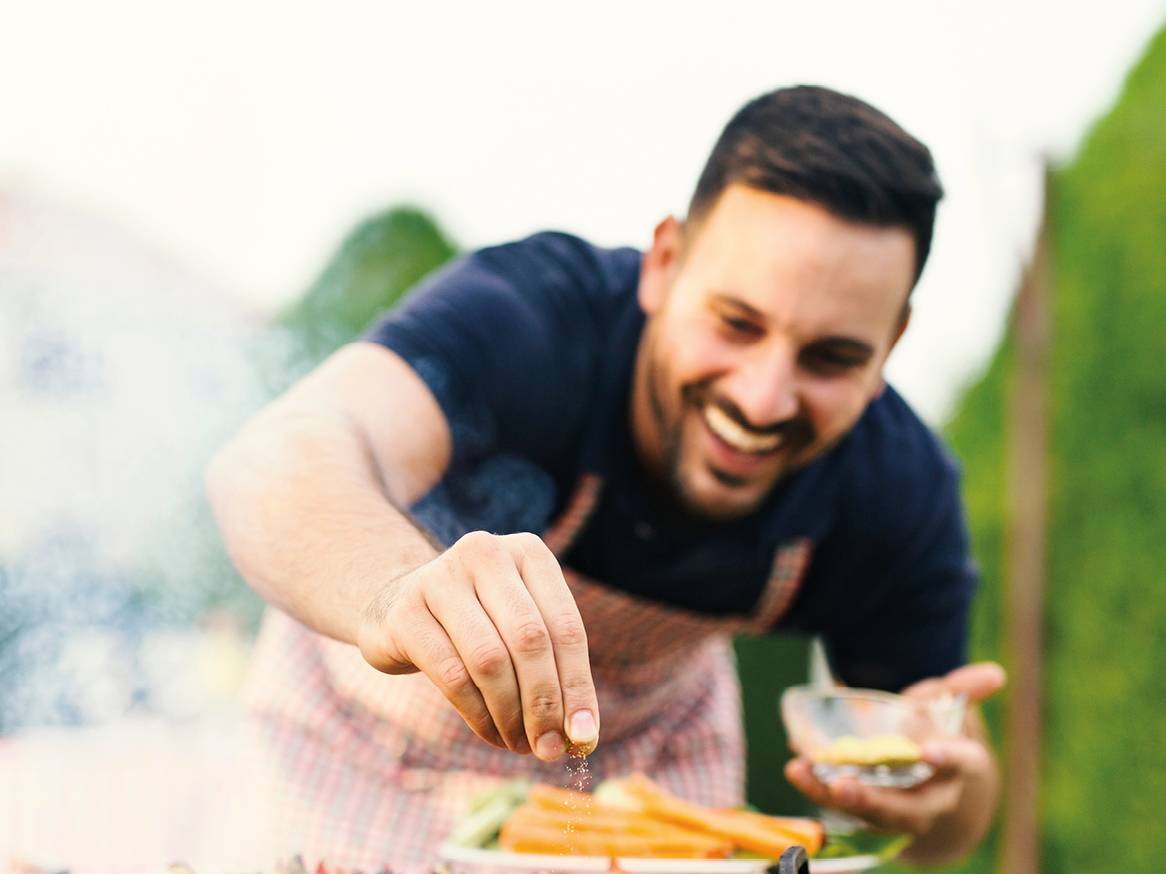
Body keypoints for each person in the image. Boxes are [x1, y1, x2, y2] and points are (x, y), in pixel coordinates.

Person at [207, 84, 1005, 869]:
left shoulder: (896, 486)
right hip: (360, 756)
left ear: (892, 342)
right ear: (663, 264)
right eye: (736, 323)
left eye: (832, 358)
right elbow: (274, 461)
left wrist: (939, 798)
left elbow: (951, 823)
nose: (763, 400)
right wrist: (394, 595)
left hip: (646, 787)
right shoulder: (536, 318)